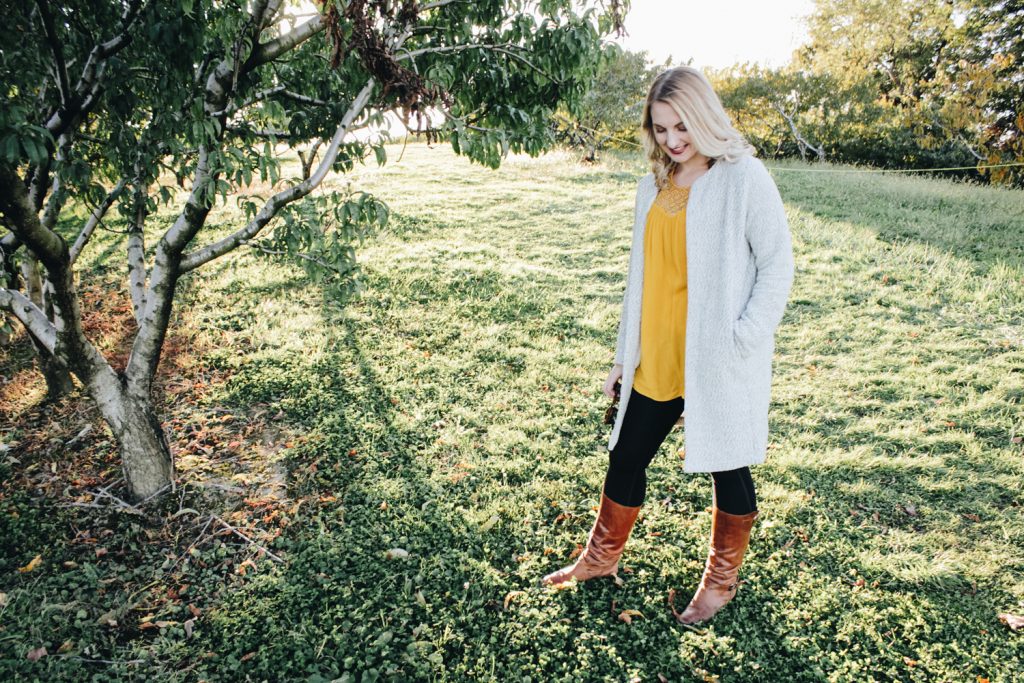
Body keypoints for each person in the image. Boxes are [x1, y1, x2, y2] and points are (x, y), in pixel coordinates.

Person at [541, 66, 794, 625]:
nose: (674, 140)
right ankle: (599, 558)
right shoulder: (653, 186)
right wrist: (622, 357)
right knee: (625, 455)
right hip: (656, 349)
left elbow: (778, 266)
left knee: (729, 467)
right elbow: (641, 279)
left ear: (705, 117)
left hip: (715, 356)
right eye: (661, 130)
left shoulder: (743, 177)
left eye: (682, 126)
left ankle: (720, 582)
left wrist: (743, 339)